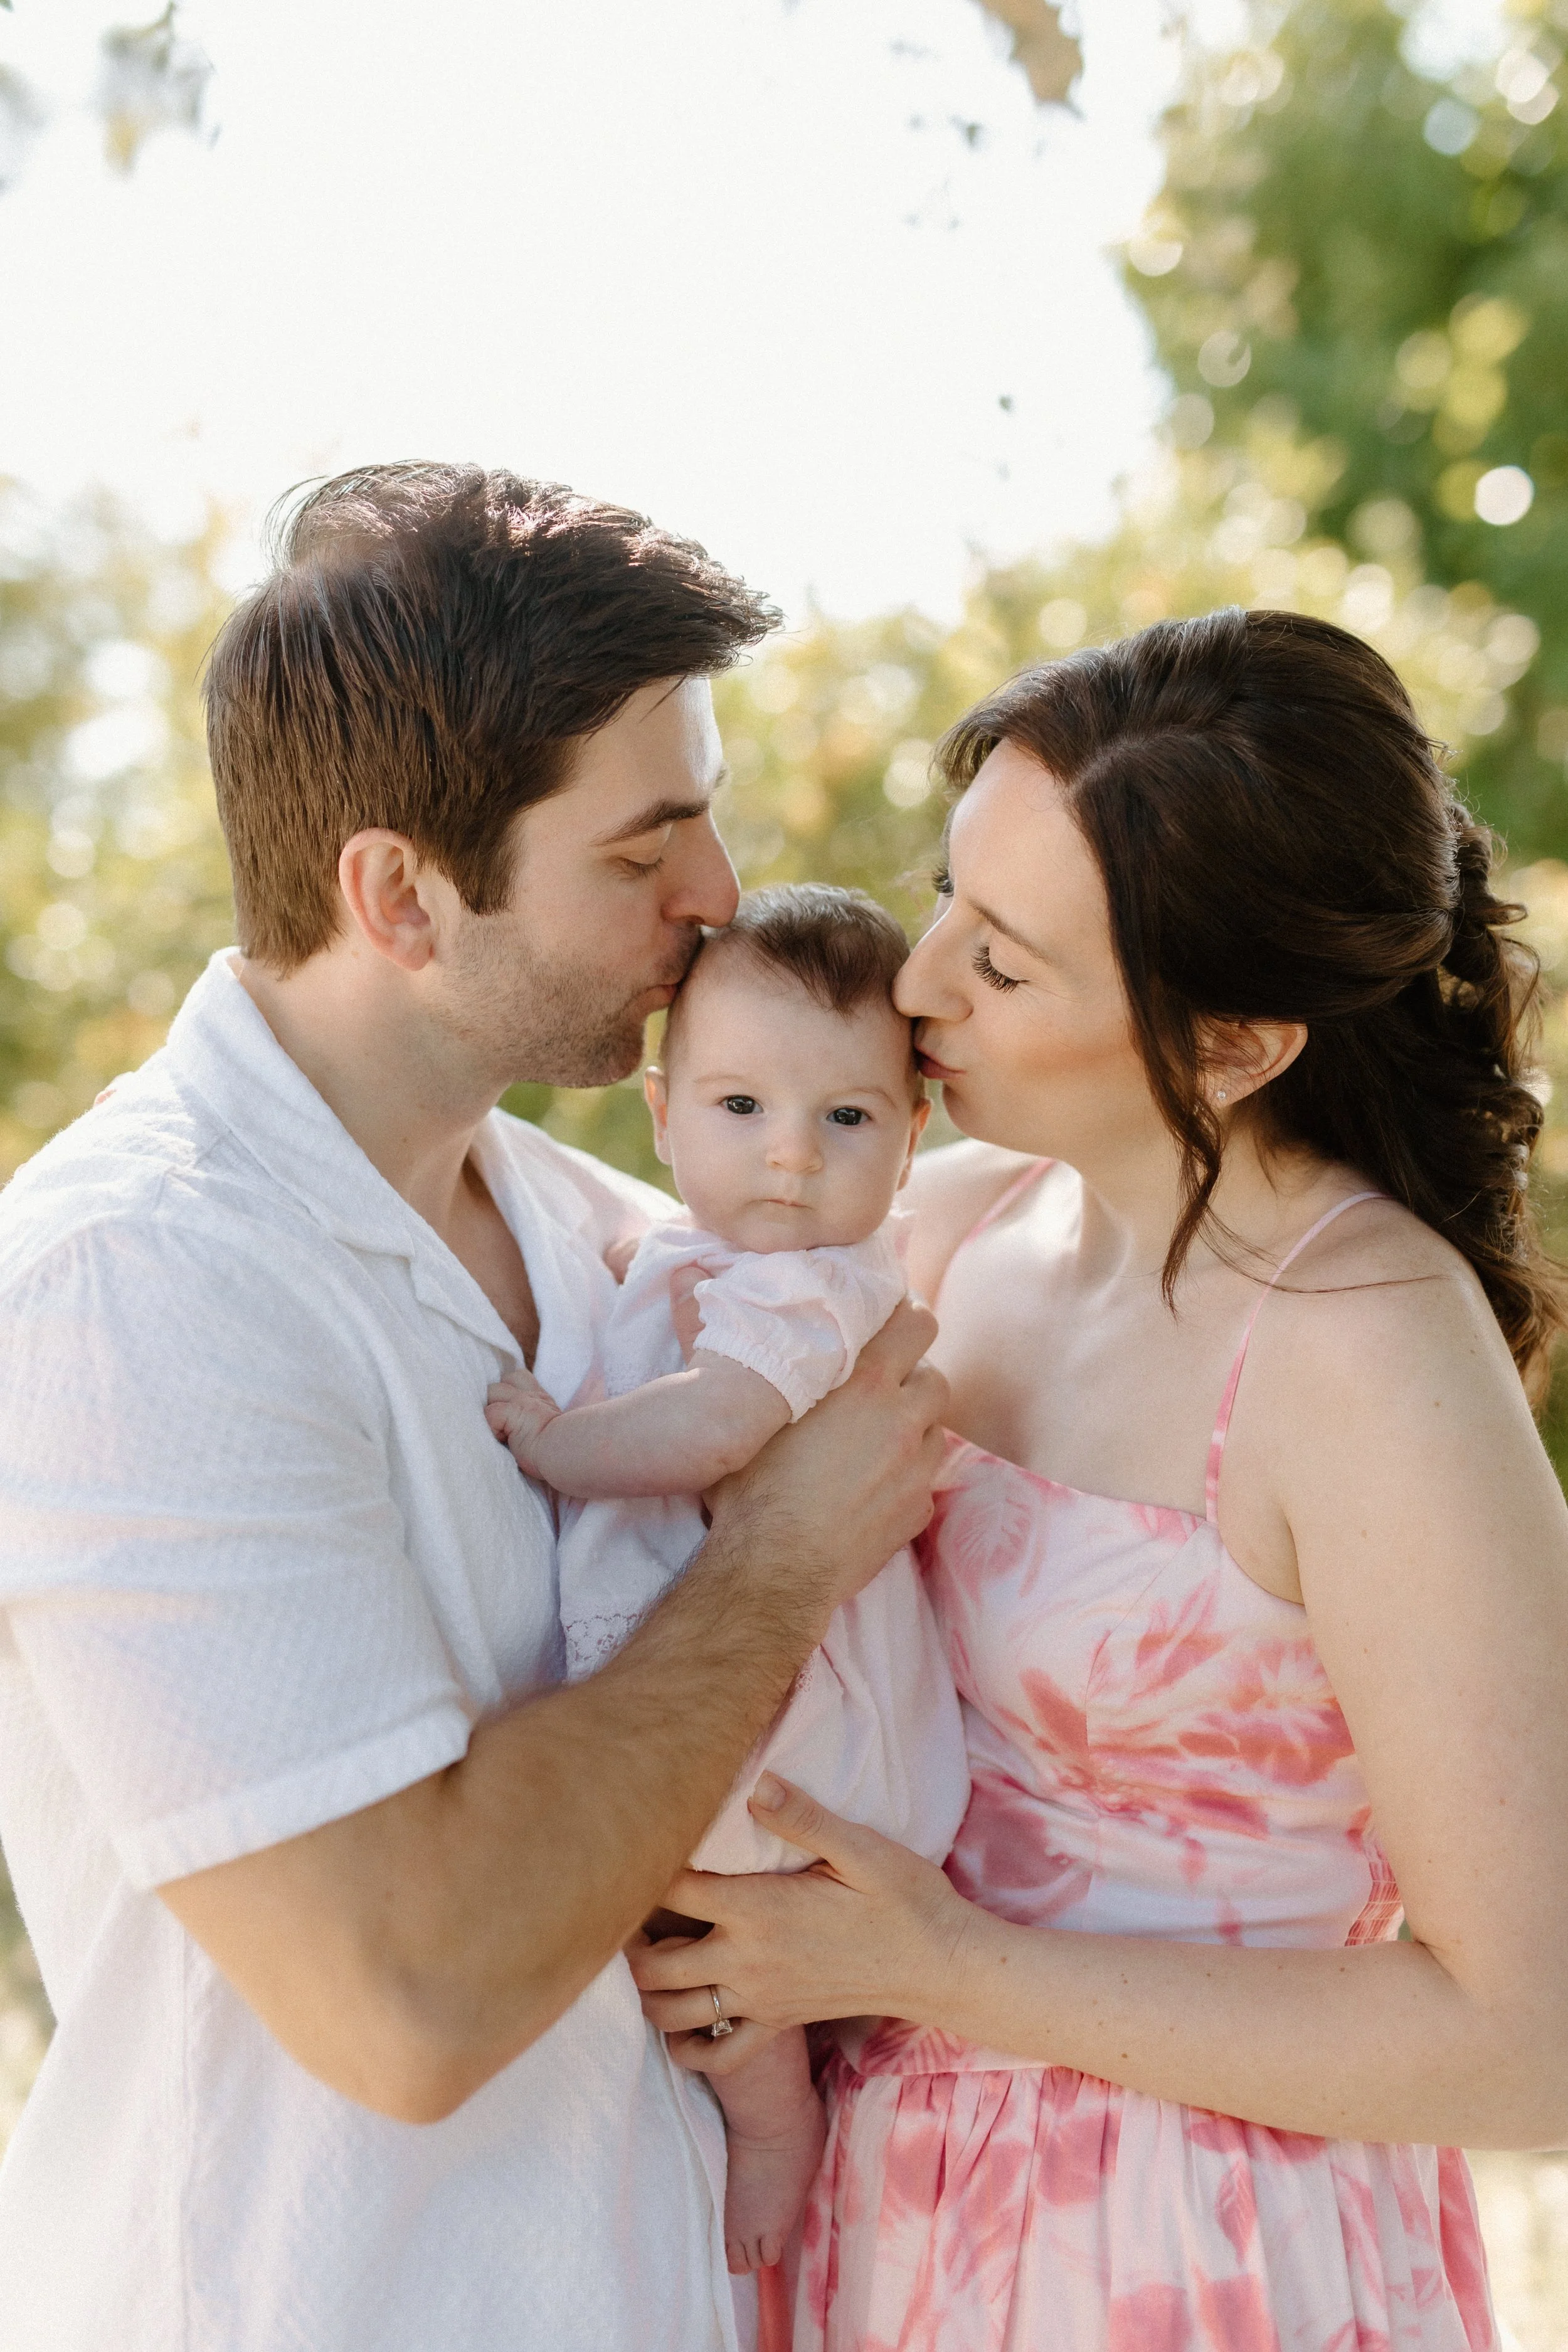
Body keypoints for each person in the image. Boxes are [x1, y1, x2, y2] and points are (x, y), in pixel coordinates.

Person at [0, 464, 948, 2352]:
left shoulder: (617, 1233)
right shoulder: (138, 1282)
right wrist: (779, 1557)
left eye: (710, 819)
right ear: (399, 893)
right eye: (640, 847)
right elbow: (409, 1991)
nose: (719, 899)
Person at [632, 608, 1568, 2351]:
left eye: (1002, 963)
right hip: (885, 2207)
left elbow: (1534, 2041)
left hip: (1193, 2249)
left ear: (1232, 1041)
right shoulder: (948, 1226)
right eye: (947, 898)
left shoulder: (1363, 1347)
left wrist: (937, 1968)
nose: (912, 987)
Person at [487, 882, 969, 2279]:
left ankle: (773, 2122)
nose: (791, 1163)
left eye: (846, 1118)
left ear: (911, 1133)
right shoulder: (683, 1253)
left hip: (789, 1725)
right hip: (744, 1676)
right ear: (660, 1114)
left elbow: (710, 1428)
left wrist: (553, 1443)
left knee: (688, 1908)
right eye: (740, 1108)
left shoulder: (818, 1287)